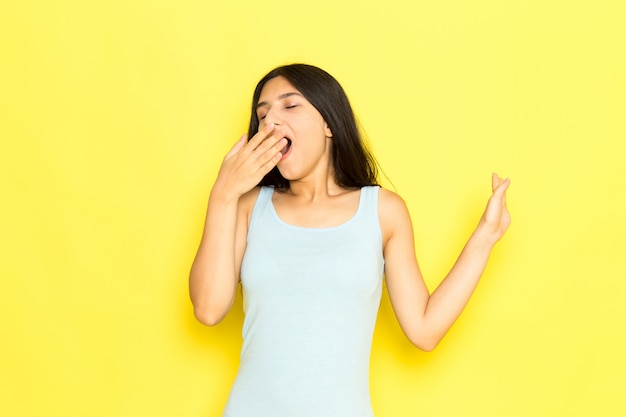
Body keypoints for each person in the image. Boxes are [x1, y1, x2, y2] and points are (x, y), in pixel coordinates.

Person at [189, 64, 511, 417]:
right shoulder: (249, 207)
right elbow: (208, 309)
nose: (271, 123)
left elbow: (424, 330)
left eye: (290, 106)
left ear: (329, 123)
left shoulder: (382, 212)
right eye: (262, 115)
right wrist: (222, 194)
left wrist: (486, 235)